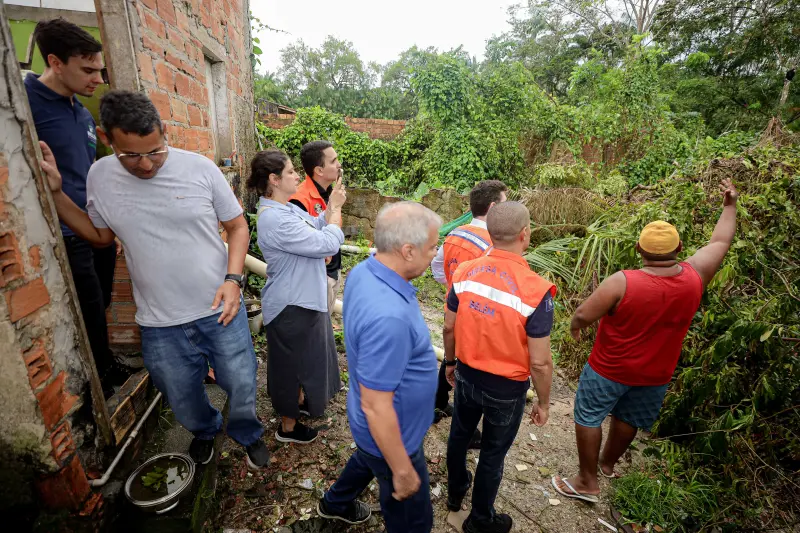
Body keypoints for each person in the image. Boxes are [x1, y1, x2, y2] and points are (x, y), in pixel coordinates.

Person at [39, 90, 268, 469]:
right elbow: (100, 237)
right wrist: (58, 194)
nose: (145, 165)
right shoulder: (101, 176)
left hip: (219, 307)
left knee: (241, 381)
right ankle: (205, 430)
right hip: (159, 322)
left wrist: (233, 278)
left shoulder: (200, 169)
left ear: (164, 132)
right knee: (179, 393)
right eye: (131, 155)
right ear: (106, 138)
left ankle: (247, 432)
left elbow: (237, 226)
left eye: (155, 151)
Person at [551, 179, 739, 503]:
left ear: (639, 250)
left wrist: (576, 326)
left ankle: (586, 481)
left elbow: (583, 313)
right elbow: (721, 240)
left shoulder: (624, 282)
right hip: (656, 375)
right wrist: (730, 204)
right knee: (629, 418)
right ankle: (607, 465)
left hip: (609, 369)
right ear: (680, 249)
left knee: (588, 415)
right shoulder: (695, 276)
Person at [317, 202, 441, 532]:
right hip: (392, 435)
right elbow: (377, 405)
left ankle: (334, 502)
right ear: (408, 251)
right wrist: (401, 468)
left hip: (370, 425)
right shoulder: (390, 317)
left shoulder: (366, 271)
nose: (436, 255)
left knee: (367, 458)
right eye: (433, 248)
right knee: (414, 522)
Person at [443, 201, 555, 533]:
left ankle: (454, 495)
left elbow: (449, 327)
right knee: (493, 452)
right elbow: (540, 361)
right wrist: (544, 402)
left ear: (490, 234)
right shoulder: (536, 290)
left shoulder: (464, 272)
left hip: (466, 376)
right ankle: (480, 520)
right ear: (525, 235)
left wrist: (450, 362)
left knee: (459, 436)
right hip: (506, 390)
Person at [25, 19, 121, 394]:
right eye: (88, 70)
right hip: (64, 232)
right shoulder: (26, 106)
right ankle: (99, 382)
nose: (98, 78)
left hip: (95, 225)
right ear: (55, 62)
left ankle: (105, 364)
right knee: (86, 310)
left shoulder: (81, 111)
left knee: (102, 304)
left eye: (100, 70)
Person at [249, 150, 345, 445]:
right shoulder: (275, 220)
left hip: (302, 299)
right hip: (292, 304)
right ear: (274, 180)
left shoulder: (285, 210)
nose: (296, 176)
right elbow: (328, 241)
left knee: (304, 362)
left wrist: (329, 208)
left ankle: (300, 404)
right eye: (291, 172)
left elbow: (316, 223)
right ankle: (287, 428)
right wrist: (338, 210)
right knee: (289, 368)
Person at [431, 180, 508, 439]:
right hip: (478, 316)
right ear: (494, 206)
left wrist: (453, 287)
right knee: (470, 368)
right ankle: (466, 430)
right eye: (505, 203)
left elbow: (437, 268)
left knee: (452, 356)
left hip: (453, 308)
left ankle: (438, 402)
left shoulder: (456, 233)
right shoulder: (494, 245)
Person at [289, 141, 344, 315]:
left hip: (332, 271)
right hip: (318, 278)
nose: (339, 165)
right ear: (319, 170)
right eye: (333, 161)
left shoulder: (330, 191)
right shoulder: (299, 200)